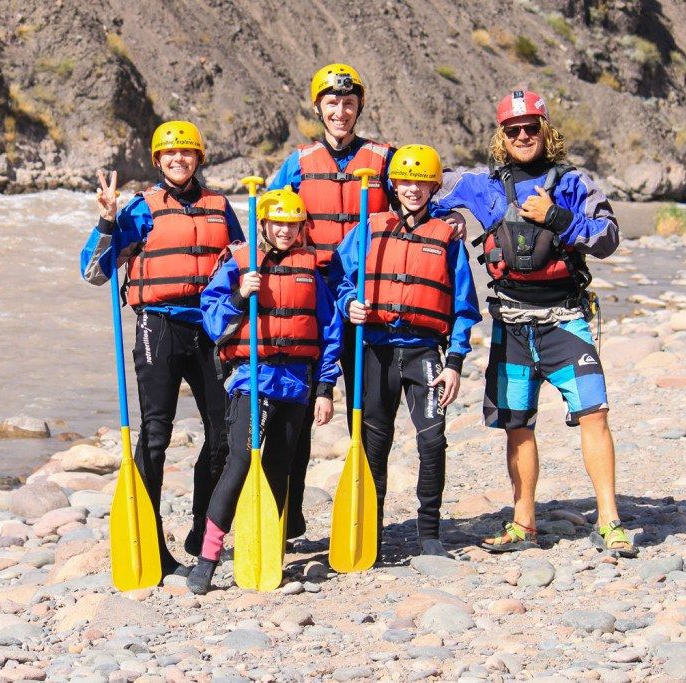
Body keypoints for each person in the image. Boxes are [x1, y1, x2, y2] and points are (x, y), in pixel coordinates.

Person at [433, 89, 636, 557]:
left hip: (565, 320)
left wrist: (558, 217)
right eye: (512, 129)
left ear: (546, 130)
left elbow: (608, 238)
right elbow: (415, 185)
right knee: (517, 424)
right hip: (511, 326)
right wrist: (449, 220)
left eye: (531, 127)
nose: (523, 135)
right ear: (501, 137)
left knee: (595, 412)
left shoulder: (573, 184)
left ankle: (609, 521)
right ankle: (524, 523)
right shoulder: (479, 185)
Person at [270, 63, 466, 540]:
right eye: (332, 103)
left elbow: (417, 199)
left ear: (359, 107)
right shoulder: (298, 163)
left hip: (371, 307)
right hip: (310, 296)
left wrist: (451, 218)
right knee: (294, 407)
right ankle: (286, 516)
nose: (341, 111)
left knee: (367, 420)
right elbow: (271, 216)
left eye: (349, 102)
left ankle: (372, 517)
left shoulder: (383, 160)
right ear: (318, 108)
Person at [80, 120, 244, 575]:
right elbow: (94, 273)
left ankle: (200, 531)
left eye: (187, 153)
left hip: (210, 329)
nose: (178, 160)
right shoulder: (140, 209)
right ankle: (152, 544)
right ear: (157, 161)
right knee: (156, 436)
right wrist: (108, 221)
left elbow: (243, 259)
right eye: (169, 154)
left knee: (222, 435)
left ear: (199, 159)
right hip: (159, 327)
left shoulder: (218, 206)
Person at [188, 186, 341, 593]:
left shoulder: (311, 268)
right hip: (250, 378)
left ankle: (267, 547)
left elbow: (329, 330)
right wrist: (241, 294)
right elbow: (213, 321)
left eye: (293, 225)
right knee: (239, 462)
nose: (286, 231)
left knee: (279, 467)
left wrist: (325, 386)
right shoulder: (240, 263)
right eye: (278, 224)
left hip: (295, 383)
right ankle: (208, 555)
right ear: (264, 225)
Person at [330, 145, 481, 559]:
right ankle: (371, 533)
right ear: (393, 185)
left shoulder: (447, 237)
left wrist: (455, 364)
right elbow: (337, 277)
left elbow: (464, 307)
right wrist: (348, 304)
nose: (412, 189)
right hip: (375, 352)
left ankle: (429, 532)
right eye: (405, 181)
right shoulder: (368, 227)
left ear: (434, 186)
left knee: (432, 441)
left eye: (422, 181)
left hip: (423, 353)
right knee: (373, 445)